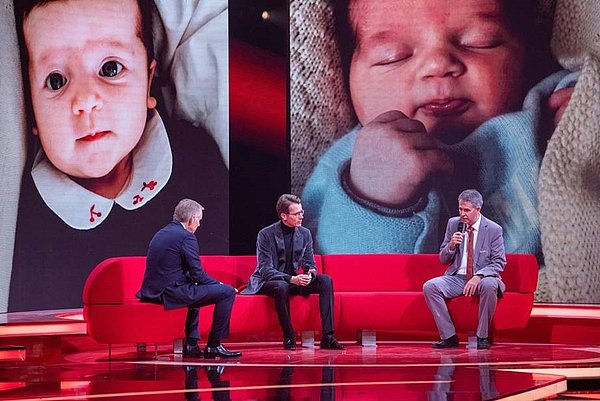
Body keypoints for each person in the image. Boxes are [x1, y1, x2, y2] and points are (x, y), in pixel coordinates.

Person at [301, 0, 576, 256]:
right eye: (392, 57)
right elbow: (334, 276)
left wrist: (581, 121)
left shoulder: (542, 114)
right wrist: (374, 203)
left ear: (525, 56)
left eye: (480, 42)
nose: (438, 65)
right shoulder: (351, 169)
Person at [8, 0, 228, 311]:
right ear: (31, 112)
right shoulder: (26, 215)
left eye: (110, 69)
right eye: (56, 81)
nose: (85, 101)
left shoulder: (197, 159)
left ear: (148, 83)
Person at [137, 199, 241, 358]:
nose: (199, 225)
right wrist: (219, 284)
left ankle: (191, 344)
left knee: (194, 286)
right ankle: (214, 345)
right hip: (169, 292)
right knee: (226, 292)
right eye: (199, 220)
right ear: (191, 219)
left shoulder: (162, 232)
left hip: (154, 291)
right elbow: (197, 273)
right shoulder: (186, 237)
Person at [241, 194, 345, 350]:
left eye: (301, 212)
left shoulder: (304, 233)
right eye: (297, 214)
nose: (301, 216)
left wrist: (310, 274)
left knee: (325, 280)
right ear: (284, 216)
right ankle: (289, 337)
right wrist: (291, 279)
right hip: (269, 281)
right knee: (281, 286)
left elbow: (310, 263)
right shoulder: (266, 234)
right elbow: (265, 270)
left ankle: (328, 337)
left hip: (294, 280)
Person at [423, 189, 506, 350]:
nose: (462, 214)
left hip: (483, 278)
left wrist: (478, 276)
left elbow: (499, 262)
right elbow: (443, 259)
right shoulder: (453, 224)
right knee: (430, 286)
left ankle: (482, 336)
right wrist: (451, 245)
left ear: (478, 209)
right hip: (457, 277)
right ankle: (449, 336)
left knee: (490, 286)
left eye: (467, 210)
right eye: (460, 209)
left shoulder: (494, 230)